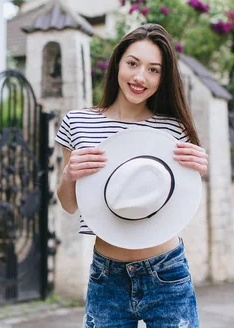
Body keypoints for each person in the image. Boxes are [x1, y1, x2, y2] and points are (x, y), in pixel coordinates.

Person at [54, 23, 208, 328]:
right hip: (106, 274)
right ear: (117, 64)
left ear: (163, 78)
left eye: (154, 70)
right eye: (133, 64)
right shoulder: (78, 123)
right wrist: (70, 174)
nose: (140, 77)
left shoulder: (173, 129)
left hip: (166, 271)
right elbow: (70, 205)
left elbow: (183, 198)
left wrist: (199, 165)